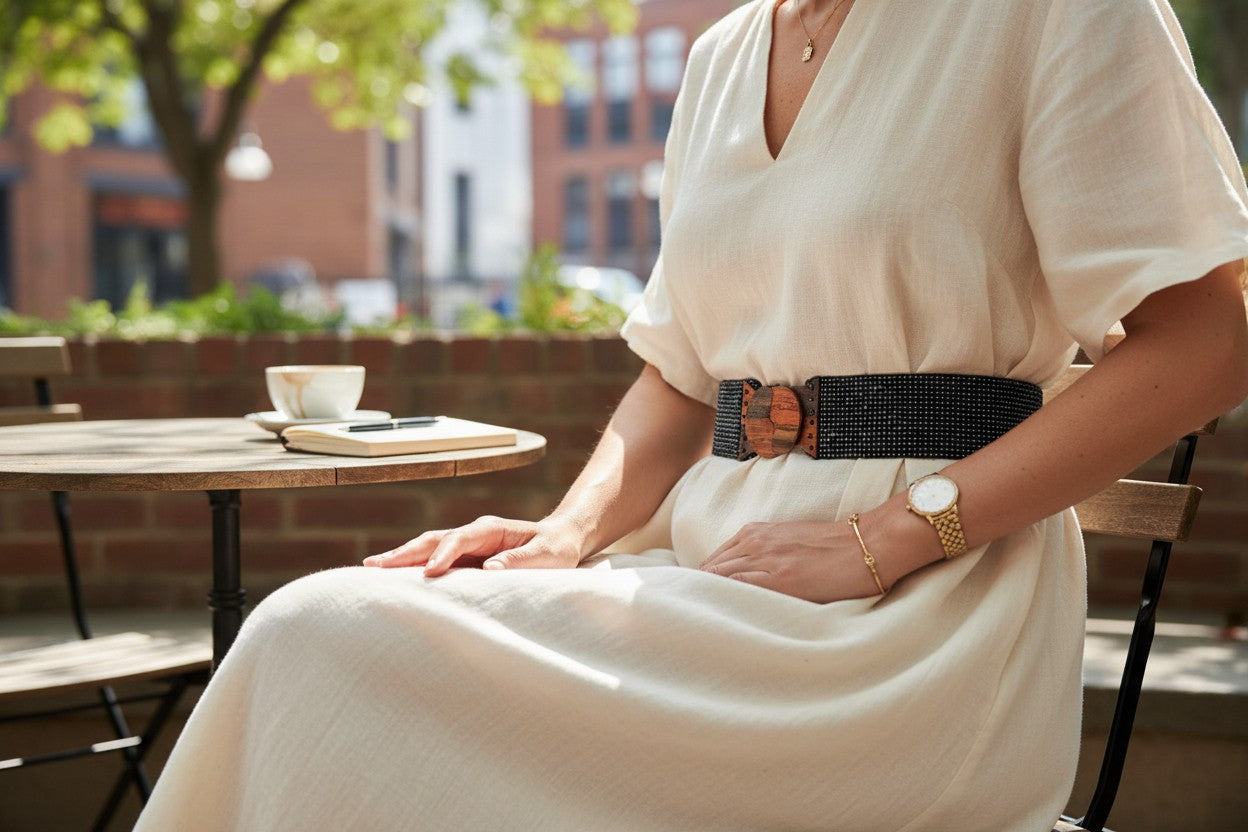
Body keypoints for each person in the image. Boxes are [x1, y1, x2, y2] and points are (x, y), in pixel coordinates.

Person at [135, 0, 1248, 829]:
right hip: (706, 576)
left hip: (916, 626)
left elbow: (1209, 340)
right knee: (328, 630)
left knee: (314, 634)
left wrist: (889, 537)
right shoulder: (720, 58)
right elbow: (682, 372)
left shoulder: (1054, 13)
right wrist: (565, 536)